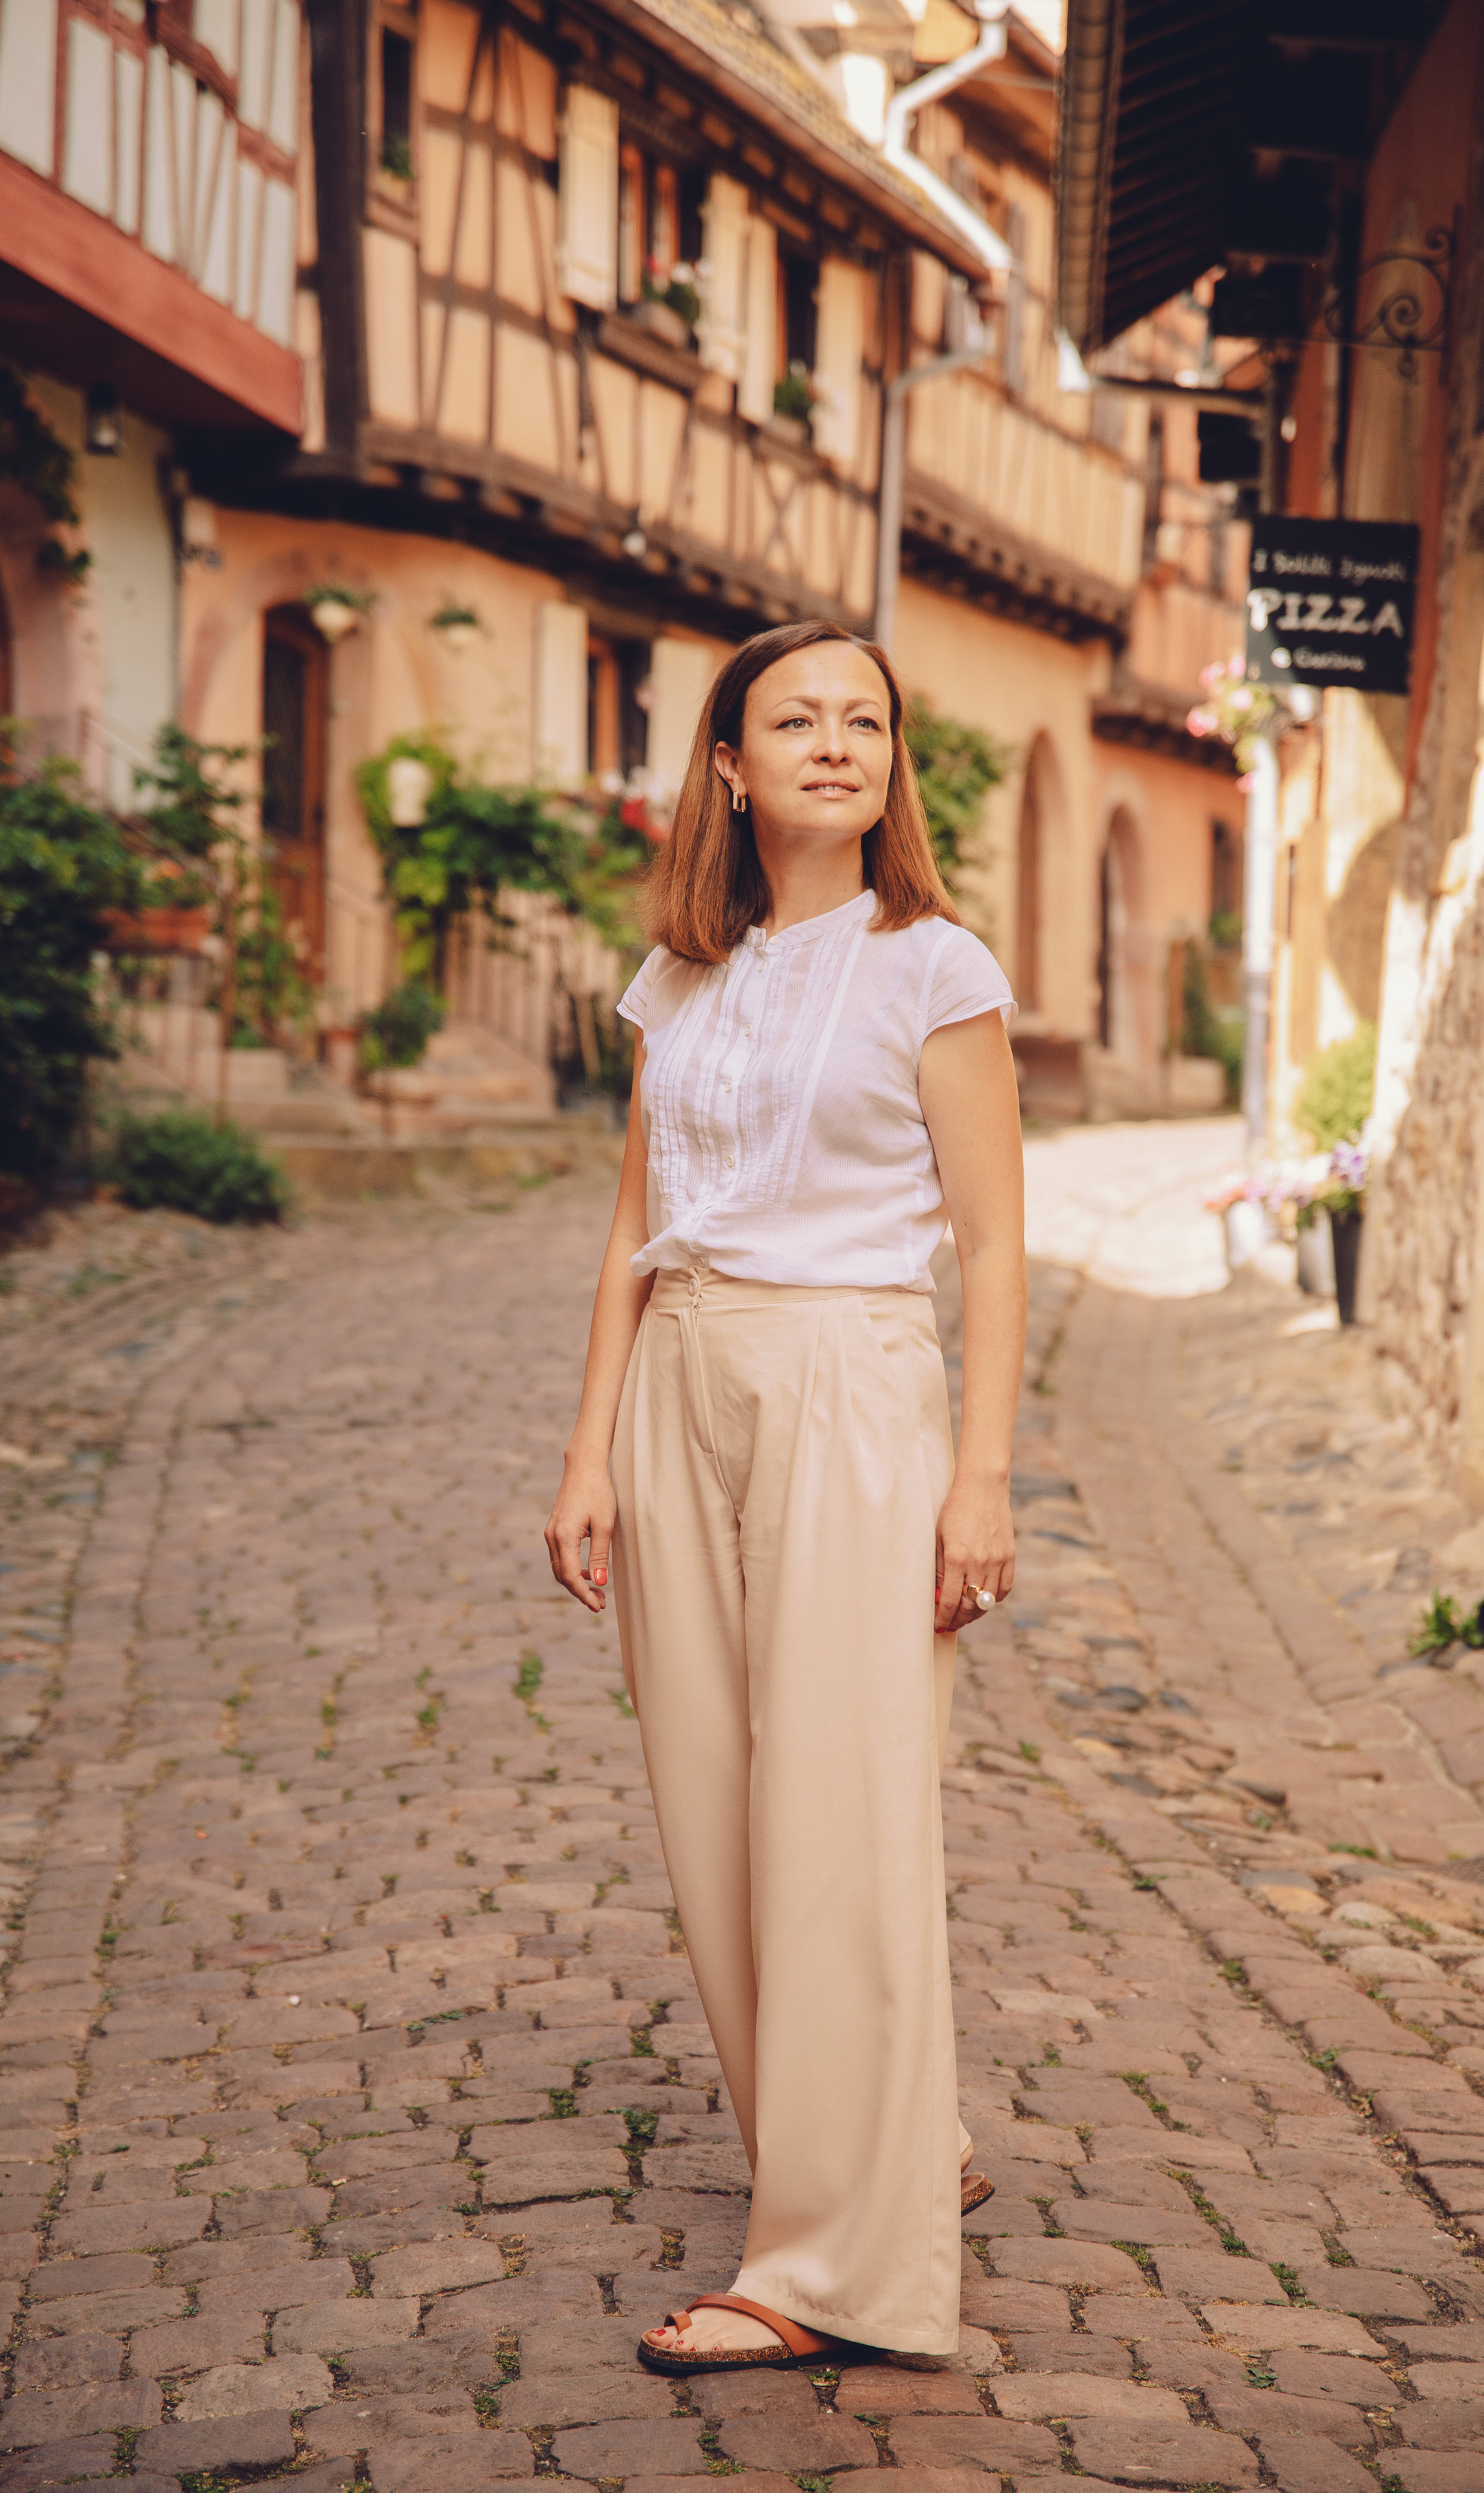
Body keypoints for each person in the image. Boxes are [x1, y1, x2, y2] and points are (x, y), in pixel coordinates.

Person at [545, 619, 1025, 2374]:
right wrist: (591, 1447)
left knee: (840, 1812)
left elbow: (995, 1246)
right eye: (798, 719)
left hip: (851, 1384)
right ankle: (898, 2150)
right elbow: (634, 1224)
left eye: (867, 721)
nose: (837, 743)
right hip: (684, 1382)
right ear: (730, 767)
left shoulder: (935, 970)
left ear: (892, 764)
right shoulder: (678, 979)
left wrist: (981, 1478)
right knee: (715, 1815)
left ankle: (828, 2271)